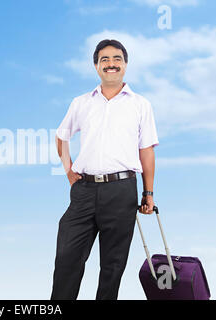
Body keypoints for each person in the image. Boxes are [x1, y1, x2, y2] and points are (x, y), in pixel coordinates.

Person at [50, 39, 159, 300]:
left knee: (113, 265)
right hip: (83, 190)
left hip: (122, 191)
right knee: (67, 258)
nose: (111, 64)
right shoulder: (81, 103)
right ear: (96, 66)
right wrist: (69, 172)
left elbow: (146, 151)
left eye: (117, 59)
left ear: (125, 64)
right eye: (105, 60)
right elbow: (61, 137)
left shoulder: (140, 104)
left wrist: (148, 193)